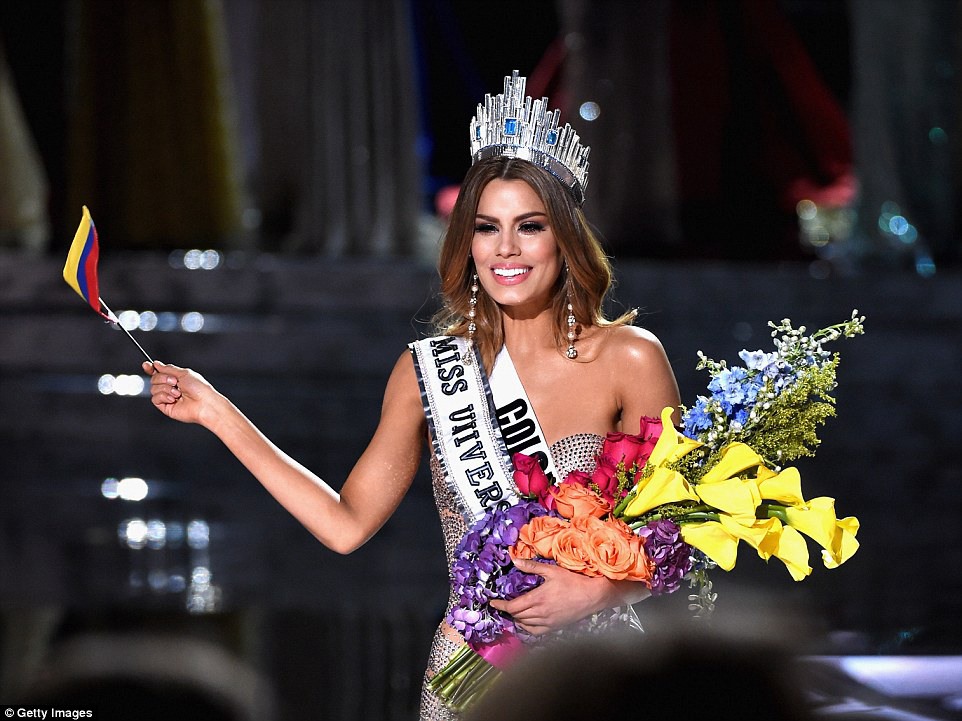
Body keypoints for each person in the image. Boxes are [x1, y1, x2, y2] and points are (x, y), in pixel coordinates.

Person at [144, 70, 681, 720]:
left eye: (530, 226)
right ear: (467, 242)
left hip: (599, 670)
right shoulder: (428, 373)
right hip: (471, 673)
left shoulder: (630, 358)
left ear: (565, 239)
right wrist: (216, 412)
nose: (506, 249)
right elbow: (345, 525)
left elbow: (683, 527)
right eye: (487, 227)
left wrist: (597, 593)